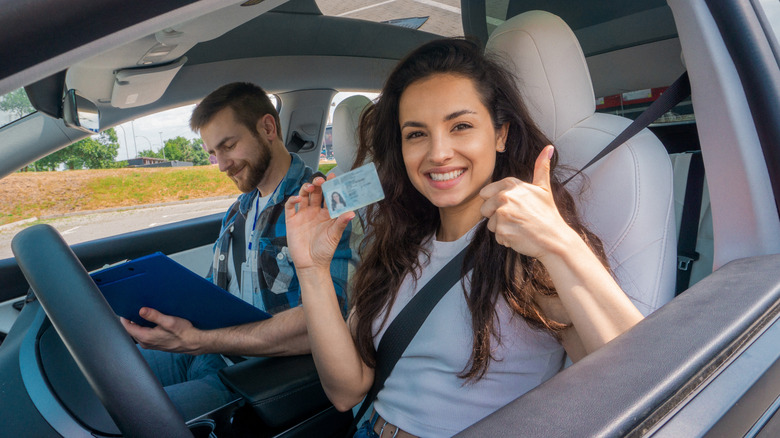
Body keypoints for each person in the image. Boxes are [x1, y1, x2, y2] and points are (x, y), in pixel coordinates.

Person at [283, 39, 644, 438]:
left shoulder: (529, 254)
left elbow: (641, 382)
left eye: (461, 126)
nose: (438, 153)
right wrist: (311, 269)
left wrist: (559, 242)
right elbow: (346, 393)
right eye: (416, 134)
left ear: (501, 134)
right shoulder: (396, 246)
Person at [120, 82, 361, 420]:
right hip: (212, 352)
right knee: (108, 381)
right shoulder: (238, 211)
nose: (221, 165)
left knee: (131, 420)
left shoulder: (323, 203)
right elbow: (210, 292)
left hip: (264, 377)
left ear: (267, 128)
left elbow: (326, 320)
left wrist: (204, 341)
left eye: (228, 146)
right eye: (212, 153)